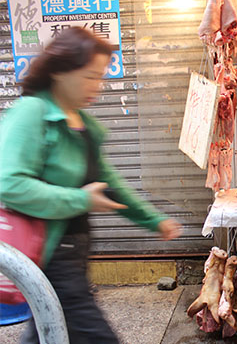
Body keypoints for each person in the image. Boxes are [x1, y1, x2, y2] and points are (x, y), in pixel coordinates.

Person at [0, 27, 182, 343]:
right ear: (59, 70)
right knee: (90, 332)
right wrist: (80, 200)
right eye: (89, 77)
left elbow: (109, 184)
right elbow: (9, 183)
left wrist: (154, 220)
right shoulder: (33, 112)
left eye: (100, 77)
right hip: (49, 252)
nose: (97, 86)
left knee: (48, 329)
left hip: (72, 252)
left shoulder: (83, 123)